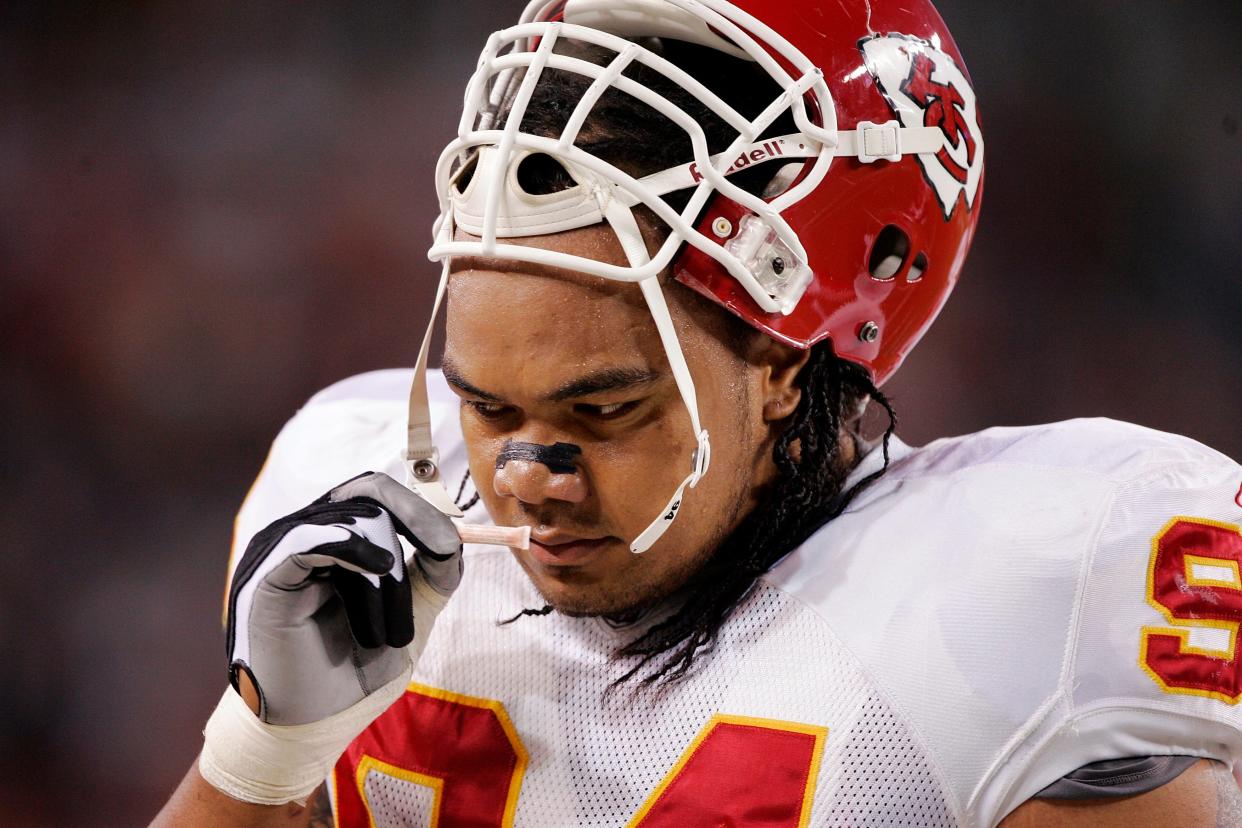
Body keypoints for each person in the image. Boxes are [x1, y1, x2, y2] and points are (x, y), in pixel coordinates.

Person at [154, 0, 1242, 825]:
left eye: (604, 406)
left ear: (780, 360)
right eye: (484, 401)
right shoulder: (353, 504)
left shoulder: (1030, 590)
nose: (528, 471)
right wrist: (257, 756)